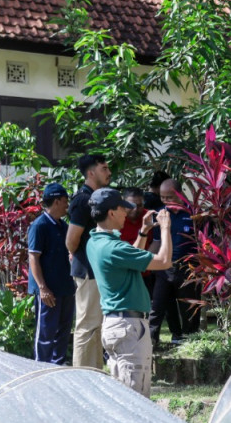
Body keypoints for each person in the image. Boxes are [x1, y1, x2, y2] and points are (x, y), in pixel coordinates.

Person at [85, 188, 173, 396]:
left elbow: (131, 260)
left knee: (124, 395)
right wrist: (166, 229)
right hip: (129, 328)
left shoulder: (95, 242)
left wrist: (143, 232)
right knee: (136, 399)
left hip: (115, 325)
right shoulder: (113, 248)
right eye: (123, 209)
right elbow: (164, 261)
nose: (127, 214)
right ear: (112, 212)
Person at [65, 153, 111, 370]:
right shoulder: (82, 200)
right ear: (91, 173)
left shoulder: (96, 197)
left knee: (97, 325)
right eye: (104, 168)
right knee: (87, 325)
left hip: (97, 271)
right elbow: (71, 241)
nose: (109, 172)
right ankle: (82, 377)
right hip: (87, 271)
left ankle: (95, 373)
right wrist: (76, 254)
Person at [146, 179, 200, 346]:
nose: (166, 201)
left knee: (188, 307)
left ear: (180, 194)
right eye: (162, 197)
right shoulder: (160, 214)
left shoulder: (194, 213)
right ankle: (152, 342)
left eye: (169, 197)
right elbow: (156, 242)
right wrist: (144, 259)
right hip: (164, 267)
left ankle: (190, 341)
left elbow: (203, 242)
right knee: (158, 305)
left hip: (188, 268)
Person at [27, 183, 75, 365]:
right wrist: (42, 287)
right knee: (46, 332)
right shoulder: (39, 226)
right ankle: (40, 368)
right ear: (56, 201)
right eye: (64, 201)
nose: (67, 205)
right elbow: (33, 258)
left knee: (63, 331)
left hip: (65, 288)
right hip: (48, 291)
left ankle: (58, 366)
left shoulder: (64, 226)